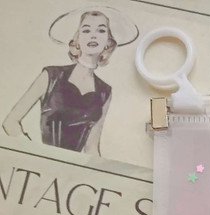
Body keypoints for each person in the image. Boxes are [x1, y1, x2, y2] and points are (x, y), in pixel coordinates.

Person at [3, 9, 136, 155]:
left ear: (108, 42)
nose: (93, 35)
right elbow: (10, 122)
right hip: (43, 164)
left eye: (101, 30)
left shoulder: (105, 92)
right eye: (86, 30)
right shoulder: (51, 75)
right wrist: (35, 155)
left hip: (73, 169)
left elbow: (91, 148)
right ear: (77, 40)